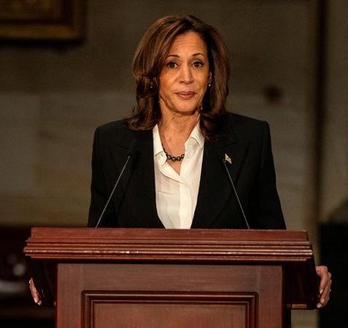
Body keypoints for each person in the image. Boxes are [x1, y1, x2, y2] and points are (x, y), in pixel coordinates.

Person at [83, 14, 331, 307]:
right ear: (152, 75)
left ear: (211, 75)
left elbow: (272, 238)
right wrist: (55, 277)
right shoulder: (113, 144)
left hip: (227, 314)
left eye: (197, 64)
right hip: (138, 317)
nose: (186, 77)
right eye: (172, 64)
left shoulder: (248, 139)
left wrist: (301, 274)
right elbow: (96, 244)